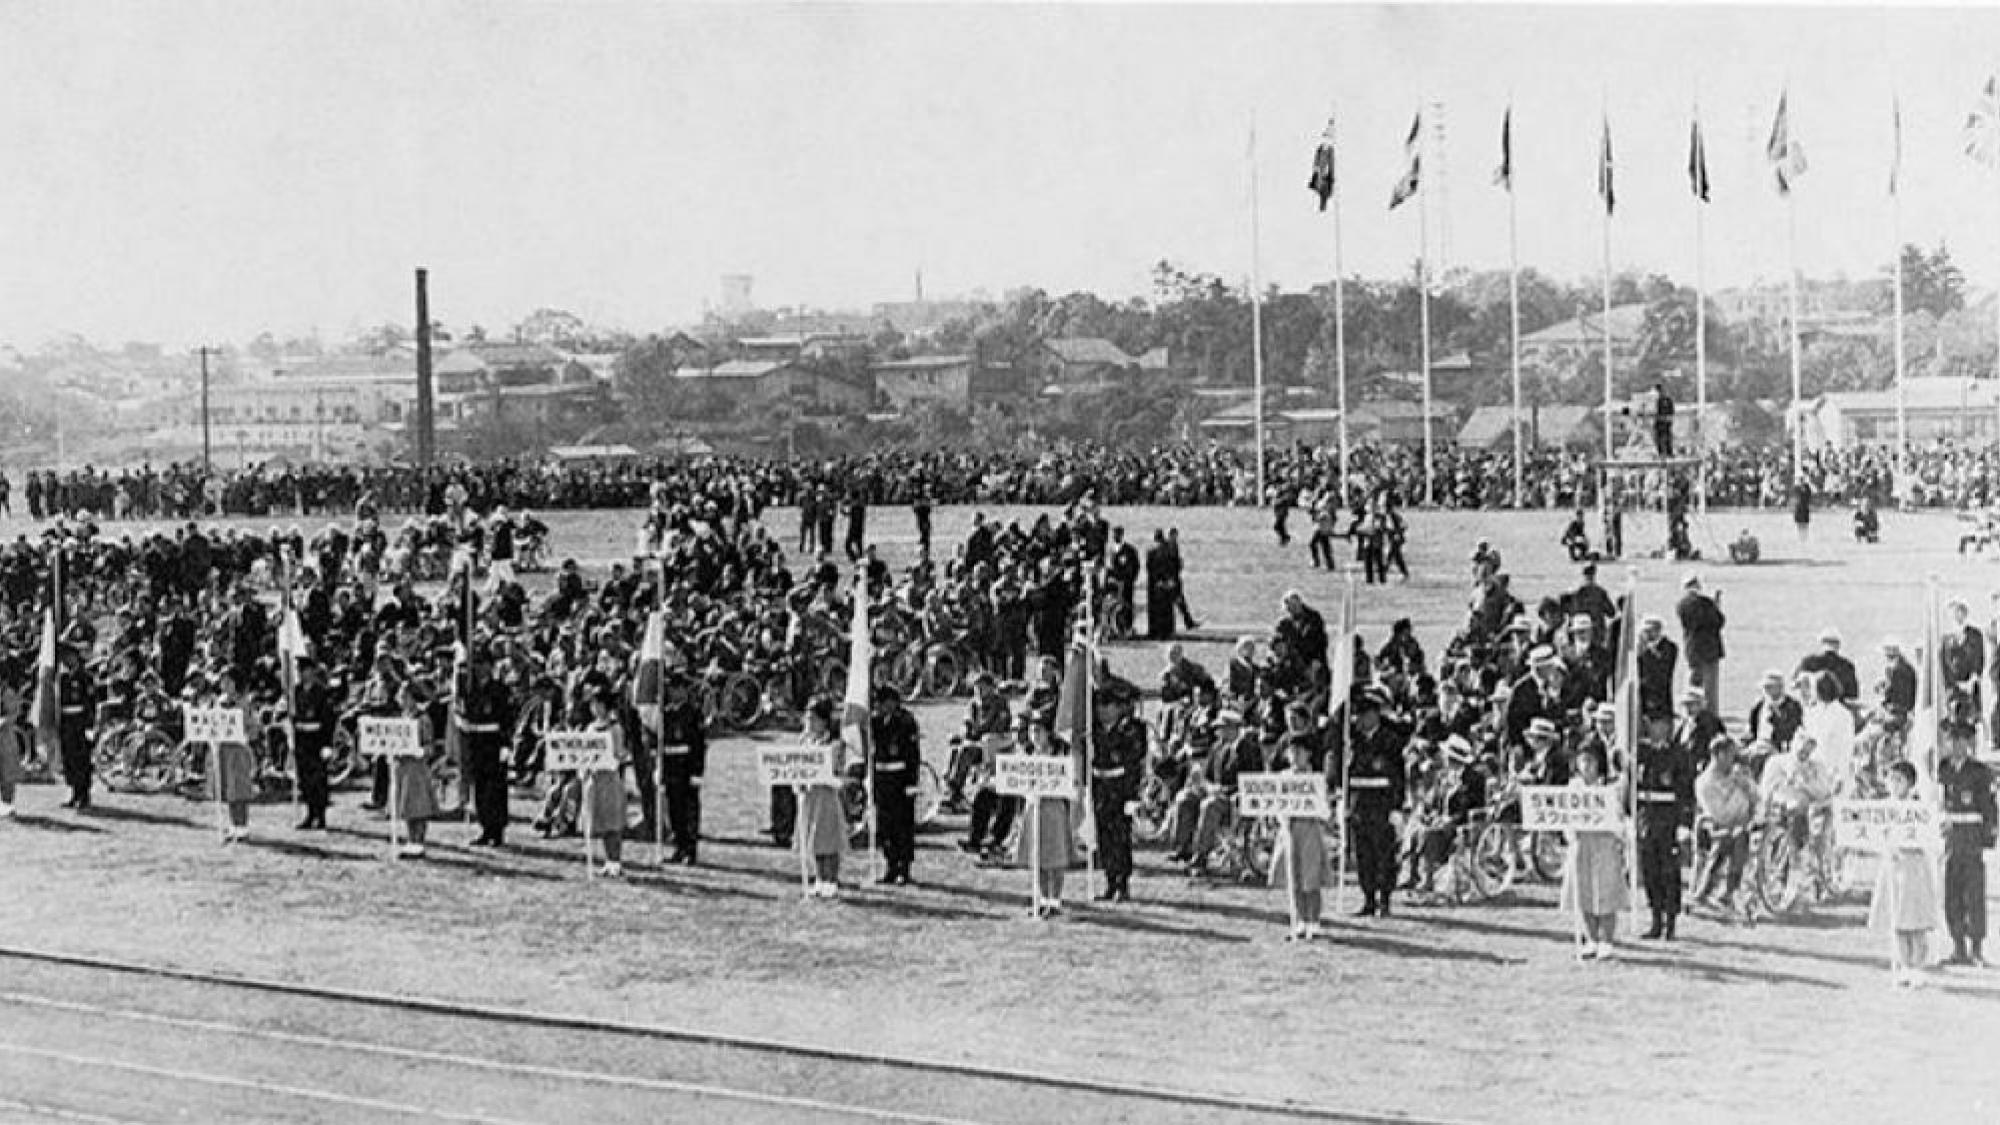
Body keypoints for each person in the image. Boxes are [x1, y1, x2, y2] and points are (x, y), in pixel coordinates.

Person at [1870, 760, 1941, 987]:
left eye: (1899, 780)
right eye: (1890, 779)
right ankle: (1902, 965)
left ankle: (1917, 966)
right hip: (1892, 867)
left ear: (1909, 784)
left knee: (1915, 921)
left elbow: (1928, 837)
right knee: (1897, 919)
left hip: (1913, 868)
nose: (1893, 784)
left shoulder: (1918, 808)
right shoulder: (1884, 807)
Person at [1338, 688, 1407, 918]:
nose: (1359, 719)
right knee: (1364, 855)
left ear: (1375, 715)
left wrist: (1397, 806)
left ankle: (1385, 899)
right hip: (1360, 805)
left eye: (1364, 714)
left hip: (1382, 804)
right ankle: (1368, 899)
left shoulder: (1390, 740)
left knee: (1384, 855)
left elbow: (1398, 776)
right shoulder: (1352, 741)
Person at [1560, 744, 1627, 960]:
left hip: (1604, 843)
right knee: (1583, 891)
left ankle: (1607, 940)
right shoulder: (1572, 788)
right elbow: (1564, 816)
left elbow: (1617, 816)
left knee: (1605, 891)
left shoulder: (1609, 788)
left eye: (1591, 761)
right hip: (1581, 843)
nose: (1587, 766)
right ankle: (1591, 939)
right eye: (1583, 761)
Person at [1938, 718, 1997, 967]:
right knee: (1952, 893)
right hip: (1951, 836)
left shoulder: (1979, 771)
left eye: (1961, 740)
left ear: (1970, 742)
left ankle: (1976, 947)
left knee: (1973, 892)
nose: (1956, 745)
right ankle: (1957, 945)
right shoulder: (1943, 768)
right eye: (1952, 739)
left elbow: (1989, 807)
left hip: (1971, 836)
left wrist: (1988, 836)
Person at [1269, 734, 1334, 941]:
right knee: (1293, 876)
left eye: (1300, 751)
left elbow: (1324, 809)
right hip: (1289, 828)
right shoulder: (1283, 777)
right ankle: (1299, 921)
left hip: (1310, 828)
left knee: (1310, 877)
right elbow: (1275, 804)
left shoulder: (1315, 779)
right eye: (1292, 752)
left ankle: (1314, 921)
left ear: (1309, 754)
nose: (1296, 756)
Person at [1016, 715, 1080, 918]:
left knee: (1056, 857)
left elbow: (1070, 780)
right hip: (1034, 806)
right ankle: (1042, 899)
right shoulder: (1027, 753)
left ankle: (1055, 900)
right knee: (1038, 857)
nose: (1034, 736)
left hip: (1054, 808)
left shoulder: (1061, 754)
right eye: (1031, 731)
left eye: (1038, 731)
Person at [1634, 729, 1694, 940]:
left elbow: (1686, 791)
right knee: (1650, 871)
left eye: (1660, 723)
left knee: (1669, 873)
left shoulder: (1679, 754)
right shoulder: (1640, 752)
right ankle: (1655, 920)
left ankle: (1671, 922)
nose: (1656, 729)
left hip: (1669, 819)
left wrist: (1685, 823)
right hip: (1647, 819)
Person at [1090, 679, 1147, 902]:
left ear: (1118, 707)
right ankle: (1109, 880)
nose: (1102, 711)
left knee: (1120, 837)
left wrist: (1132, 795)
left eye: (1108, 706)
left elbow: (1134, 763)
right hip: (1101, 788)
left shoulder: (1131, 729)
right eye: (1100, 706)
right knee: (1104, 837)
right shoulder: (1092, 730)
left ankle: (1122, 883)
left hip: (1121, 789)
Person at [1693, 734, 1758, 921]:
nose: (1733, 760)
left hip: (1747, 821)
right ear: (1718, 755)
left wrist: (1747, 787)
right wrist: (1734, 788)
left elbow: (1756, 795)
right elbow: (1720, 814)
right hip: (1719, 826)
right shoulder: (1705, 783)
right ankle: (1726, 890)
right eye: (1730, 755)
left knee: (1741, 833)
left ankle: (1726, 891)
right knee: (1735, 837)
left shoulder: (1736, 774)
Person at [458, 644, 514, 848]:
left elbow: (507, 719)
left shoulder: (500, 689)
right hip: (476, 743)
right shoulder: (471, 689)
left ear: (491, 666)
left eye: (483, 664)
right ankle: (484, 827)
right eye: (476, 664)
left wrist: (506, 745)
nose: (479, 668)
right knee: (480, 788)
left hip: (494, 742)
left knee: (496, 789)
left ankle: (497, 830)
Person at [795, 697, 849, 898]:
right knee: (813, 838)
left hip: (826, 795)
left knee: (829, 838)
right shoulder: (803, 740)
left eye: (813, 718)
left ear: (823, 721)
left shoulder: (833, 743)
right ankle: (819, 878)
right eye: (807, 717)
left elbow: (836, 768)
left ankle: (831, 880)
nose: (808, 722)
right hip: (809, 795)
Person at [870, 686, 922, 885]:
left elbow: (913, 756)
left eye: (882, 703)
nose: (879, 707)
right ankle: (890, 865)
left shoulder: (905, 722)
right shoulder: (874, 721)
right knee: (885, 827)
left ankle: (904, 868)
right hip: (882, 778)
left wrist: (911, 783)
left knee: (903, 827)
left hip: (900, 780)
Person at [658, 669, 710, 865]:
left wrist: (697, 771)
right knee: (674, 811)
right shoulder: (667, 713)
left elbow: (698, 744)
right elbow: (662, 745)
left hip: (687, 767)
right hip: (671, 768)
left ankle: (690, 849)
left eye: (676, 688)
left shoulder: (693, 713)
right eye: (671, 688)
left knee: (689, 811)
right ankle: (679, 847)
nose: (673, 692)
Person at [209, 673, 260, 843]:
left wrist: (247, 735)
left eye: (229, 681)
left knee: (240, 787)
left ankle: (242, 826)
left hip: (239, 749)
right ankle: (232, 825)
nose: (225, 685)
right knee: (228, 788)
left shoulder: (244, 703)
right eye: (223, 681)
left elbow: (254, 725)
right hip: (224, 748)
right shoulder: (219, 701)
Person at [391, 680, 438, 858]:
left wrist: (420, 751)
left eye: (404, 696)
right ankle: (411, 840)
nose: (400, 699)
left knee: (418, 806)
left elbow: (430, 746)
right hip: (402, 767)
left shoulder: (422, 719)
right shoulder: (403, 717)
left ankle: (419, 842)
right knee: (407, 806)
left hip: (416, 768)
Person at [291, 655, 334, 831]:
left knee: (318, 779)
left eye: (305, 670)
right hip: (302, 738)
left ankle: (321, 815)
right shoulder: (296, 691)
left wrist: (327, 744)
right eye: (300, 671)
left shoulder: (321, 692)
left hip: (317, 738)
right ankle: (309, 813)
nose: (302, 674)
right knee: (305, 779)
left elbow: (328, 720)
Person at [1676, 573, 1726, 715]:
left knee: (1692, 681)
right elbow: (1719, 621)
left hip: (1692, 648)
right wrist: (1716, 606)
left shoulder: (1681, 604)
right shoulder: (1706, 603)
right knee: (1710, 688)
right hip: (1710, 649)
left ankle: (1688, 710)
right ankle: (1710, 714)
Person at [1652, 381, 1675, 458]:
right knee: (1659, 440)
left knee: (1666, 439)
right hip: (1659, 424)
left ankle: (1668, 453)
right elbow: (1654, 412)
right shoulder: (1656, 400)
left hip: (1665, 424)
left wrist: (1667, 418)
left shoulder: (1668, 400)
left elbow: (1671, 412)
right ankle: (1662, 453)